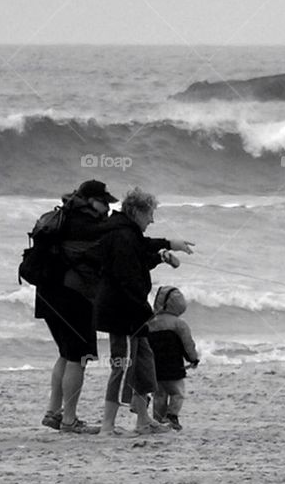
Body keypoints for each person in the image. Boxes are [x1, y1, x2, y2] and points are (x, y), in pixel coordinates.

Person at [94, 187, 194, 435]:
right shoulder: (121, 235)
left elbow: (141, 253)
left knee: (145, 366)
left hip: (134, 312)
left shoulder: (129, 232)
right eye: (150, 214)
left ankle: (143, 420)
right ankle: (107, 425)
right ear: (137, 212)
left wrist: (162, 254)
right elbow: (126, 278)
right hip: (123, 314)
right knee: (123, 365)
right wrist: (142, 312)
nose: (152, 220)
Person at [36, 179, 118, 434]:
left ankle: (54, 412)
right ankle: (69, 420)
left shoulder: (63, 216)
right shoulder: (88, 224)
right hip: (73, 295)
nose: (107, 209)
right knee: (78, 358)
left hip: (47, 293)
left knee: (65, 353)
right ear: (91, 200)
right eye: (104, 203)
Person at [147, 285, 200, 431]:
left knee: (159, 394)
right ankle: (172, 416)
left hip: (155, 368)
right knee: (178, 393)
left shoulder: (150, 322)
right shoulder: (179, 324)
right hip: (174, 368)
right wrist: (193, 359)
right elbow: (188, 344)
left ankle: (157, 419)